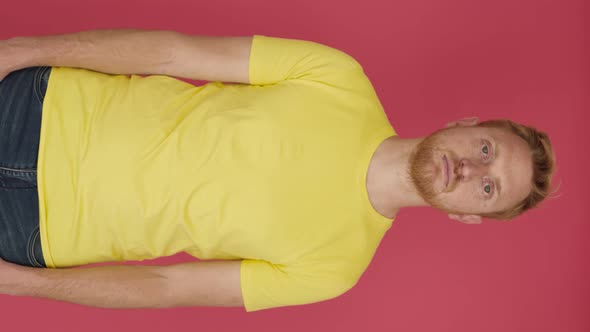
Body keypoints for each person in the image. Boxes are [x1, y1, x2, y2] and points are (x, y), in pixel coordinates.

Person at [0, 29, 555, 312]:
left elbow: (166, 285)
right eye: (486, 149)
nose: (469, 169)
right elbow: (172, 54)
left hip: (35, 228)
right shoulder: (339, 77)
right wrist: (26, 49)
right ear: (464, 124)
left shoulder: (335, 270)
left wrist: (25, 286)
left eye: (489, 187)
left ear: (466, 216)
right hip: (38, 108)